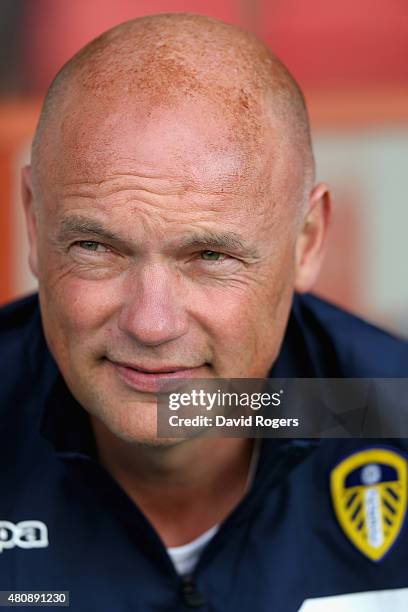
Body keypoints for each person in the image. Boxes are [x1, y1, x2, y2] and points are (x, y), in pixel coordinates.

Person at [0, 13, 407, 612]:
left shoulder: (387, 410)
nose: (151, 323)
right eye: (96, 248)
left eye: (211, 255)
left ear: (308, 242)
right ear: (34, 223)